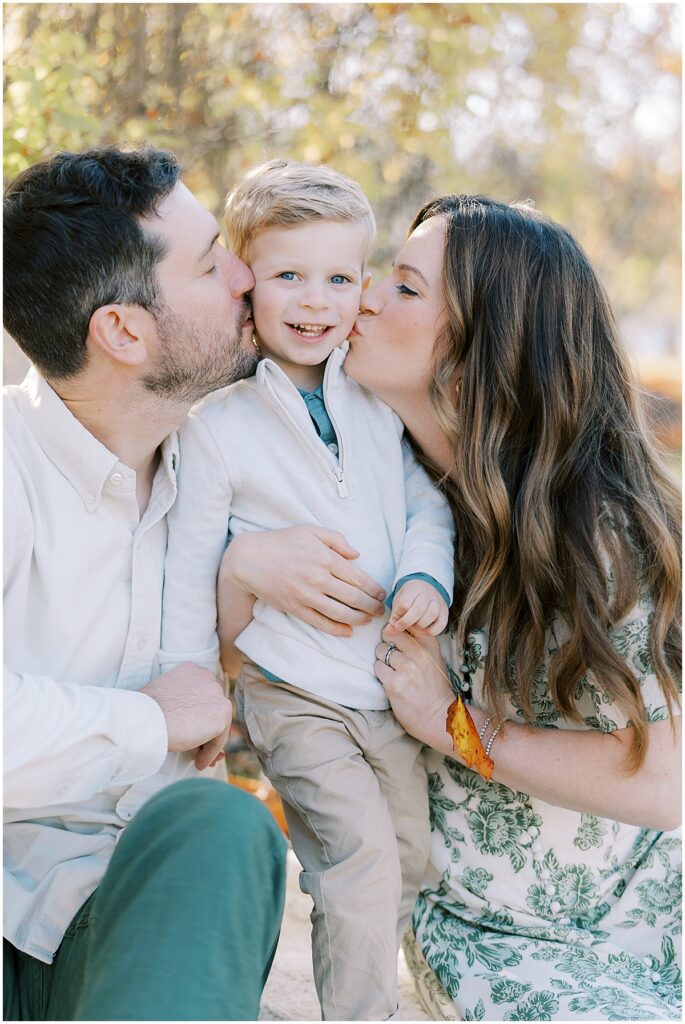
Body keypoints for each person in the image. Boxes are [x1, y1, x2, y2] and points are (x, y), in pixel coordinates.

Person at [219, 194, 682, 1020]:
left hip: (655, 902)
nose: (358, 297)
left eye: (400, 286)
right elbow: (231, 665)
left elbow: (662, 784)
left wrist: (451, 723)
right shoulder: (365, 484)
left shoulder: (595, 530)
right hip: (498, 932)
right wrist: (242, 562)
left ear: (474, 356)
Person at [160, 159, 456, 1021]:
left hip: (385, 684)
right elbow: (188, 569)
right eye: (288, 275)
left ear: (360, 285)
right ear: (247, 282)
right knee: (359, 855)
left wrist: (424, 573)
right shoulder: (219, 426)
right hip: (291, 688)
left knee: (404, 852)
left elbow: (421, 500)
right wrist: (202, 696)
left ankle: (357, 980)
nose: (314, 300)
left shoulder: (370, 399)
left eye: (336, 277)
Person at [3, 145, 287, 1022]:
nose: (248, 276)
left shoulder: (238, 474)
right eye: (211, 262)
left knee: (227, 827)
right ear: (123, 330)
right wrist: (153, 719)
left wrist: (244, 579)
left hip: (126, 933)